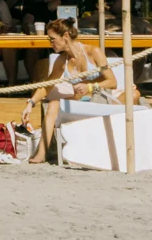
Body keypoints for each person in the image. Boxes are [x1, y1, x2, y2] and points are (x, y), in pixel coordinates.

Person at [29, 19, 121, 163]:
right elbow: (47, 85)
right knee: (53, 104)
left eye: (52, 39)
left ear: (65, 36)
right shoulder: (62, 60)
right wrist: (31, 103)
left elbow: (112, 82)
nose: (50, 43)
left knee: (133, 96)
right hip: (79, 102)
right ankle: (41, 153)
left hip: (99, 101)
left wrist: (89, 87)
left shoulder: (93, 52)